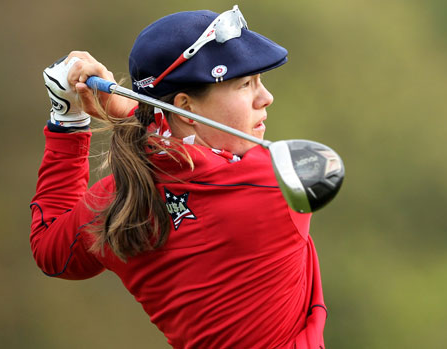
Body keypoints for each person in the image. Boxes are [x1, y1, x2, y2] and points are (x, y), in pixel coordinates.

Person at [31, 6, 327, 348]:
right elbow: (319, 164)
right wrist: (123, 108)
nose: (266, 97)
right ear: (185, 107)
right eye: (246, 84)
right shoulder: (270, 185)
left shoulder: (116, 200)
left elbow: (50, 249)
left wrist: (67, 119)